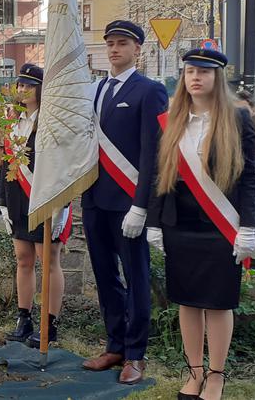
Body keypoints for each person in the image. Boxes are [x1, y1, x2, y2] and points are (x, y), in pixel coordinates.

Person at [146, 48, 255, 400]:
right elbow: (158, 175)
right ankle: (194, 372)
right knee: (188, 302)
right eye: (190, 71)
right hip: (181, 225)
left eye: (204, 72)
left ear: (217, 77)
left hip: (220, 226)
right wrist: (154, 223)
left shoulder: (237, 120)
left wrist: (248, 228)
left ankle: (216, 375)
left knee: (218, 303)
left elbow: (251, 178)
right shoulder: (171, 120)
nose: (195, 77)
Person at [79, 20, 166, 384]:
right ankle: (114, 343)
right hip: (96, 199)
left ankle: (135, 354)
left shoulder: (151, 90)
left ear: (137, 50)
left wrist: (141, 206)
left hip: (128, 202)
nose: (114, 50)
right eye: (110, 43)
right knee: (105, 276)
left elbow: (153, 153)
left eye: (122, 44)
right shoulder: (97, 90)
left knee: (136, 277)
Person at [0, 63, 71, 350]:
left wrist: (62, 206)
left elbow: (63, 167)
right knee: (23, 259)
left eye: (29, 85)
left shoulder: (51, 123)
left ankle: (49, 323)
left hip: (45, 200)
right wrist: (2, 203)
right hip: (17, 198)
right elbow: (6, 165)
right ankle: (24, 317)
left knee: (48, 261)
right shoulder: (14, 123)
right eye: (20, 85)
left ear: (42, 89)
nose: (23, 90)